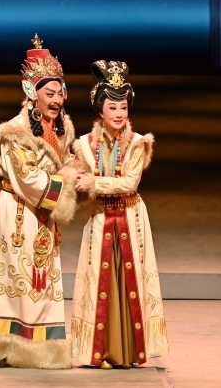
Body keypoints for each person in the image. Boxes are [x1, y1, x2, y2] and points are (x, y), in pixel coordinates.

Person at [0, 34, 93, 369]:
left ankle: (35, 347)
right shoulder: (15, 133)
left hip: (44, 218)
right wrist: (68, 179)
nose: (57, 99)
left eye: (60, 92)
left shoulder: (61, 128)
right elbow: (29, 181)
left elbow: (63, 163)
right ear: (32, 92)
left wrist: (77, 168)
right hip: (18, 216)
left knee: (38, 279)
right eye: (50, 93)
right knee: (12, 278)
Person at [70, 60, 168, 368]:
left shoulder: (137, 144)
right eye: (112, 107)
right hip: (100, 218)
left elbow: (129, 183)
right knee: (102, 282)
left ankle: (128, 350)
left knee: (128, 280)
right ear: (100, 110)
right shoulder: (84, 145)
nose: (118, 113)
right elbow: (76, 178)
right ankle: (101, 352)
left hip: (130, 216)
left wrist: (94, 183)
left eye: (123, 107)